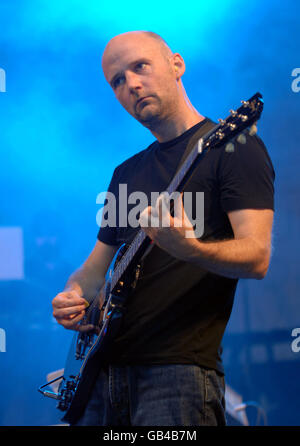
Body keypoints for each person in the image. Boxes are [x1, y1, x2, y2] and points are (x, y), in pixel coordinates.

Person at [52, 31, 275, 426]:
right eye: (117, 81)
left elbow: (257, 257)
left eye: (140, 67)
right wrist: (73, 295)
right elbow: (92, 271)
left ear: (176, 65)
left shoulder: (232, 147)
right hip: (101, 374)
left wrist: (191, 248)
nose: (131, 85)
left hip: (177, 375)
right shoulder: (125, 173)